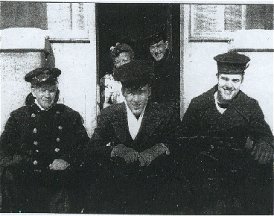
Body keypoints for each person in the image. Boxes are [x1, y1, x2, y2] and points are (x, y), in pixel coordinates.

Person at [85, 60, 187, 214]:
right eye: (131, 93)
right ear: (124, 92)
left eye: (141, 92)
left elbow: (181, 143)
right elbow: (93, 147)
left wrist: (159, 148)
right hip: (119, 190)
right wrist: (116, 150)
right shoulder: (110, 114)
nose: (136, 99)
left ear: (149, 92)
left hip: (156, 190)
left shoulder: (165, 113)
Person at [179, 51, 273, 214]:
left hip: (238, 182)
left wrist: (265, 143)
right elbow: (182, 140)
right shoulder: (199, 104)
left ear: (242, 81)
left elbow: (264, 134)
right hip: (204, 182)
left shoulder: (250, 106)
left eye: (235, 80)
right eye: (225, 78)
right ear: (217, 77)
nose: (229, 85)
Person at [0, 67, 89, 213]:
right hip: (28, 181)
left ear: (56, 91)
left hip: (59, 182)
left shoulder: (69, 116)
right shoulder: (18, 117)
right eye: (42, 90)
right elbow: (4, 151)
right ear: (33, 91)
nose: (47, 95)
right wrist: (29, 162)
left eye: (51, 90)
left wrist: (67, 160)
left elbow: (84, 147)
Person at [144, 26, 180, 104]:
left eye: (158, 46)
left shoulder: (175, 65)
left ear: (166, 45)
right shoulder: (149, 66)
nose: (156, 51)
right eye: (152, 47)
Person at [100, 42, 135, 108]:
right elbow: (105, 105)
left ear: (131, 61)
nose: (122, 65)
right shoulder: (109, 80)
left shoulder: (138, 78)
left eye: (125, 60)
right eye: (117, 62)